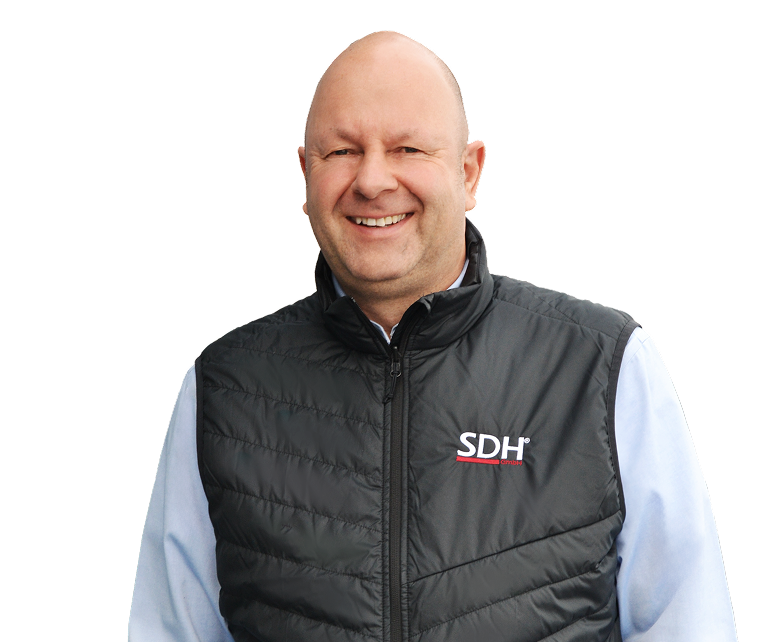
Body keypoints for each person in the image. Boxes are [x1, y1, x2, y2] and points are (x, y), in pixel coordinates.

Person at [129, 31, 737, 642]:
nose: (372, 180)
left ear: (470, 173)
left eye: (408, 148)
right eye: (341, 151)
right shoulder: (224, 388)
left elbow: (690, 625)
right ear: (305, 173)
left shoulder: (601, 368)